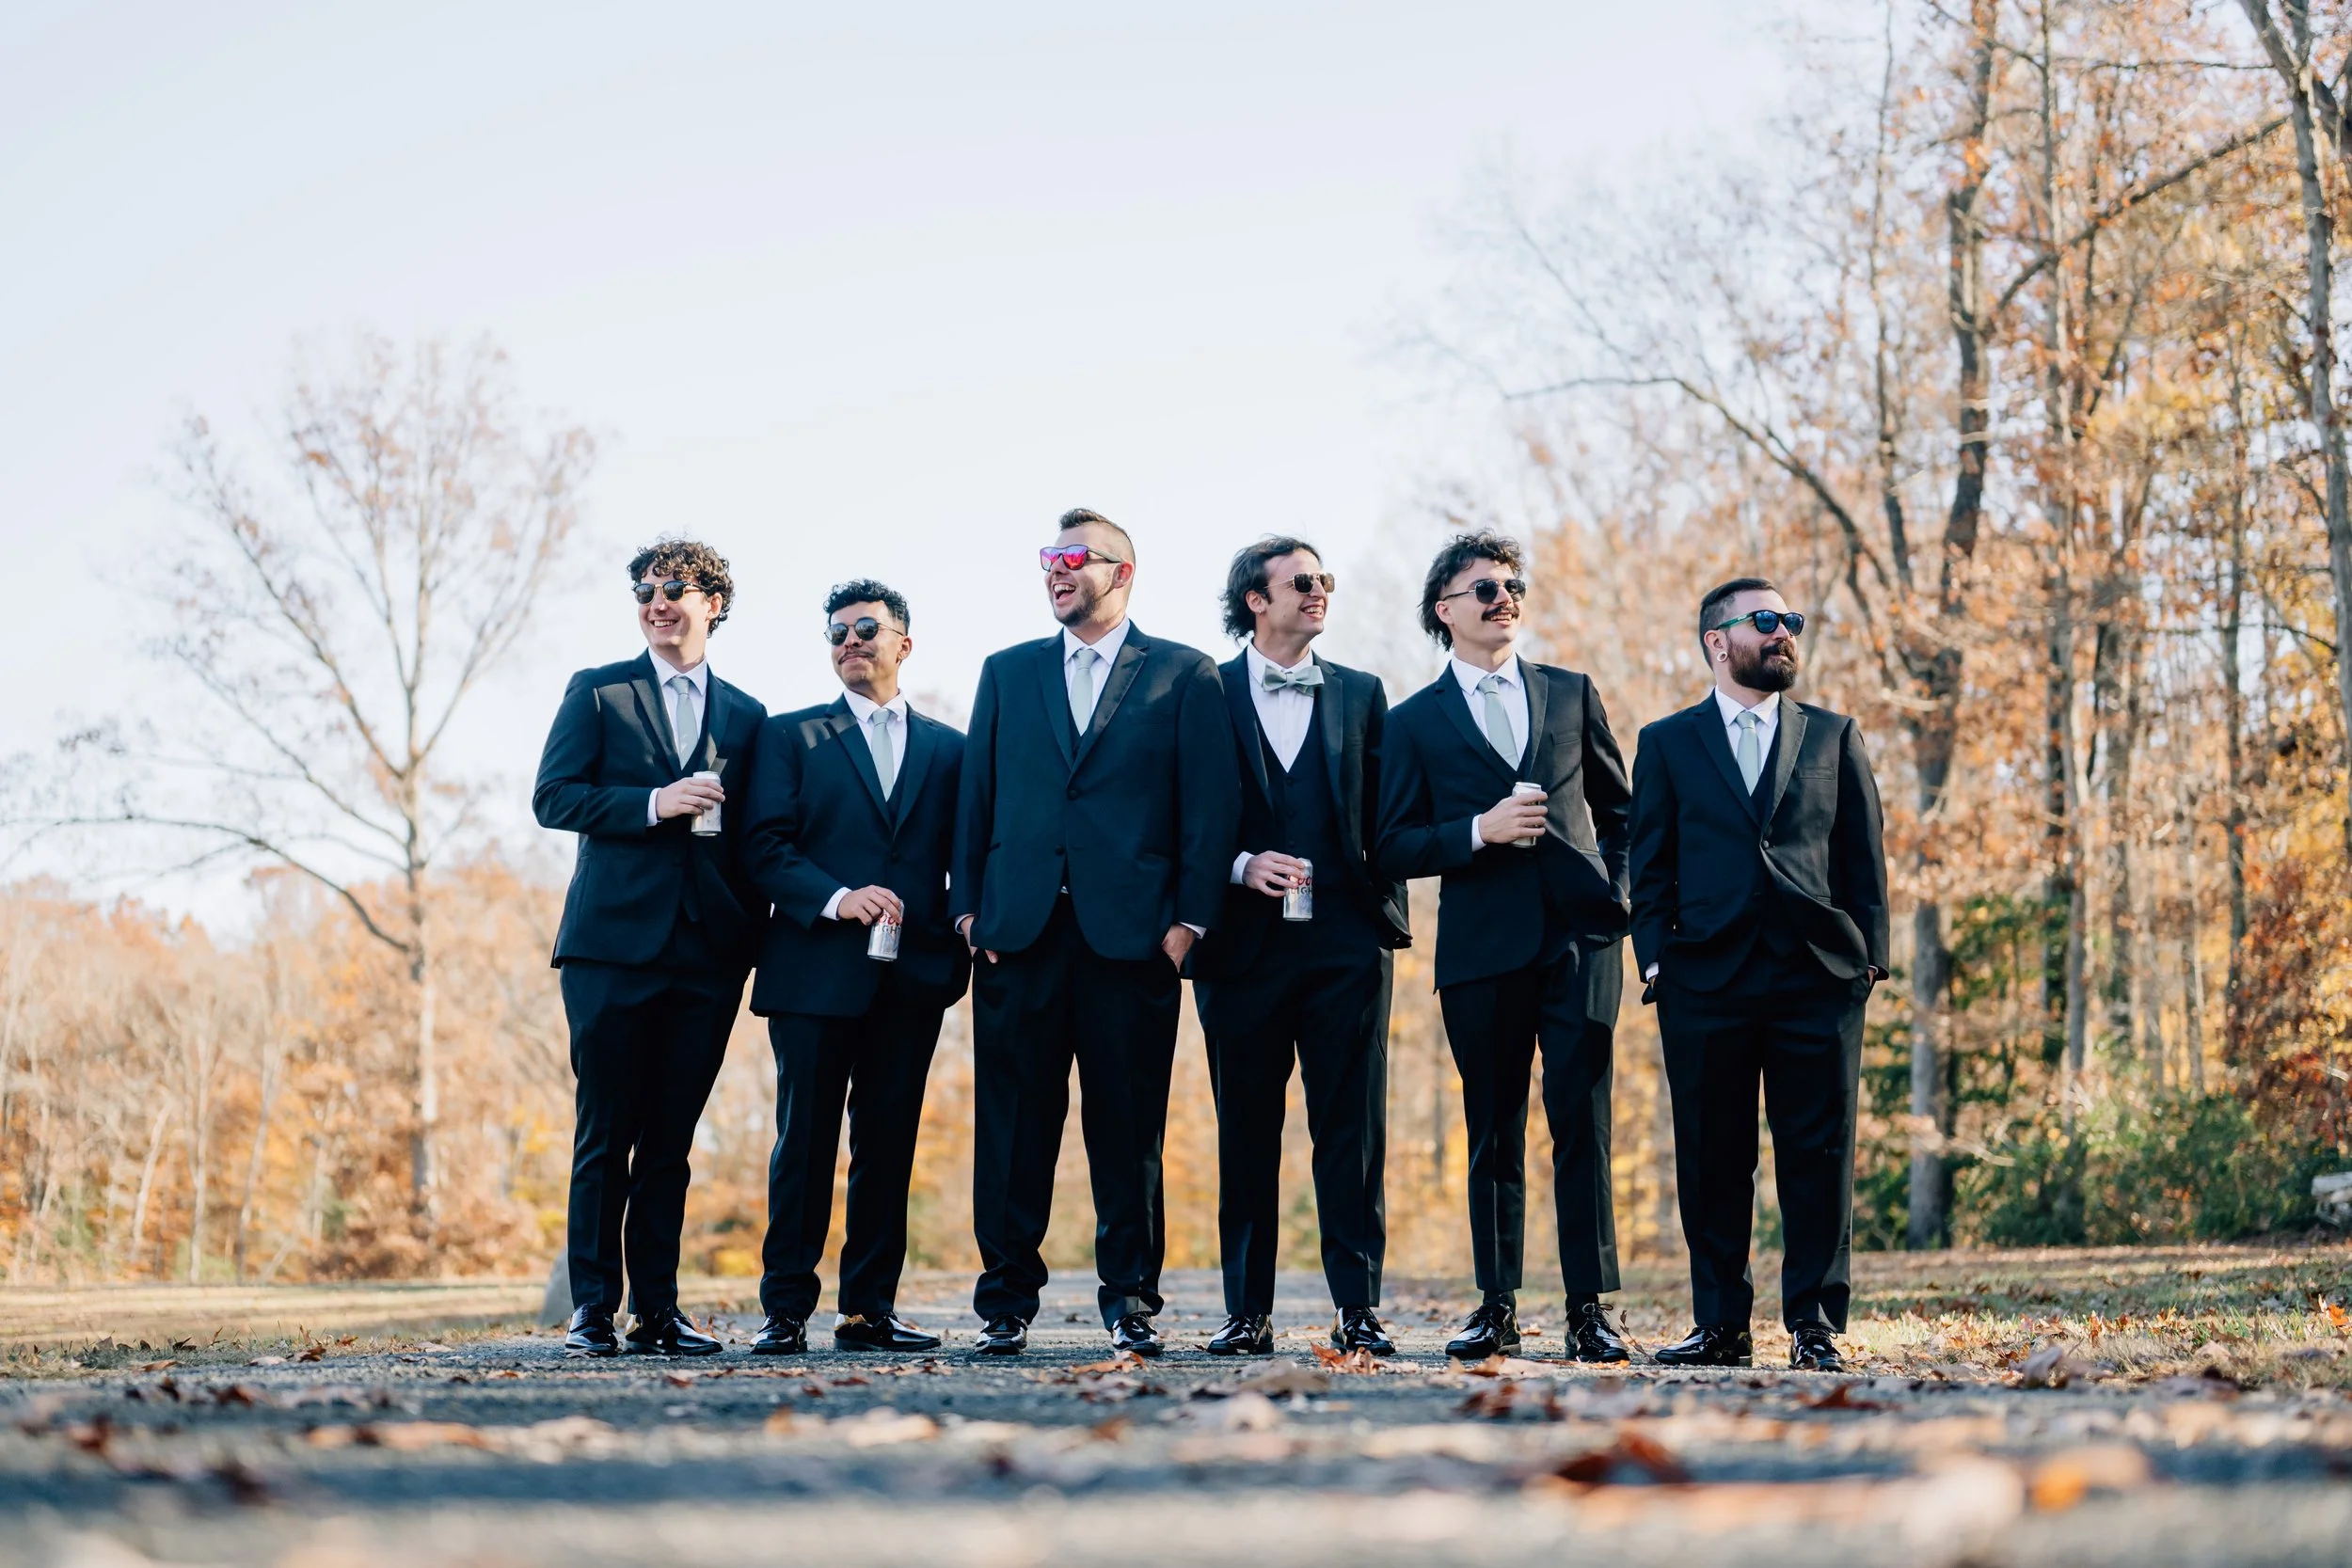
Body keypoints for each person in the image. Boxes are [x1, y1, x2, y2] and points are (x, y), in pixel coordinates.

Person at [952, 509, 1240, 1357]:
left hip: (1134, 941)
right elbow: (977, 798)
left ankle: (1131, 1302)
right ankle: (1004, 1302)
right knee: (1010, 1131)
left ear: (1123, 570)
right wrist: (969, 912)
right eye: (1049, 558)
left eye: (1075, 557)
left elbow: (1209, 807)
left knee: (1128, 1132)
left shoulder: (1185, 674)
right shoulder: (1006, 674)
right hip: (1020, 934)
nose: (1057, 570)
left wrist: (1188, 924)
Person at [1374, 531, 1633, 1364]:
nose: (1504, 598)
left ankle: (1590, 1309)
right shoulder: (1411, 722)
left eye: (1513, 585)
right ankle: (1497, 1305)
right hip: (1481, 952)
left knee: (1582, 1125)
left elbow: (1624, 813)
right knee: (1493, 1130)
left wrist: (1619, 897)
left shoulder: (1570, 692)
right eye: (1485, 589)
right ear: (1446, 611)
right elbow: (1390, 845)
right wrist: (1474, 832)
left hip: (1579, 941)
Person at [1628, 578, 1888, 1372]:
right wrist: (1657, 957)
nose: (1784, 634)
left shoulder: (1833, 736)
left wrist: (1868, 961)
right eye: (1766, 621)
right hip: (1704, 980)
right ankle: (1720, 1325)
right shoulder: (1666, 742)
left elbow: (1863, 860)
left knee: (1817, 1155)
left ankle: (1814, 1325)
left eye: (1791, 622)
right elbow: (1651, 863)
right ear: (1718, 641)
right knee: (1711, 1156)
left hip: (1816, 977)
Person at [532, 539, 768, 1357]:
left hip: (707, 956)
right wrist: (655, 801)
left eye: (674, 587)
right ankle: (592, 1308)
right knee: (605, 1131)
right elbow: (552, 797)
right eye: (644, 589)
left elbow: (758, 838)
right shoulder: (599, 692)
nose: (657, 600)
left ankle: (659, 1312)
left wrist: (750, 936)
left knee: (670, 1141)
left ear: (715, 603)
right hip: (609, 949)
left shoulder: (748, 716)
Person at [1188, 538, 1410, 1357]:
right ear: (1255, 598)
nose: (1320, 592)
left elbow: (1385, 814)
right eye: (1303, 581)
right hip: (1239, 950)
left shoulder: (1362, 691)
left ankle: (1359, 1307)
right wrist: (1241, 864)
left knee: (1352, 1132)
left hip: (1346, 944)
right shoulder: (1201, 688)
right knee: (1246, 1130)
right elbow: (1175, 813)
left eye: (1325, 581)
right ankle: (1247, 1311)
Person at [739, 579, 967, 1355]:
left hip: (913, 979)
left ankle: (870, 1308)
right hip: (813, 972)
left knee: (888, 1145)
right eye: (837, 633)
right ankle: (785, 1310)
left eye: (866, 628)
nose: (850, 642)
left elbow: (962, 857)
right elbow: (763, 847)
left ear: (905, 643)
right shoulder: (788, 736)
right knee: (802, 1143)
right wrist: (838, 898)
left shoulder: (952, 749)